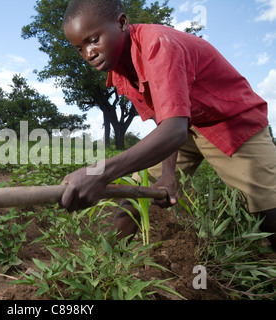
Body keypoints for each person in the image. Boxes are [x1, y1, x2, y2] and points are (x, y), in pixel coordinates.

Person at [59, 0, 276, 250]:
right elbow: (166, 123)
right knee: (136, 186)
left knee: (266, 203)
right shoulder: (120, 68)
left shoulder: (158, 45)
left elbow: (173, 130)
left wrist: (102, 173)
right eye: (80, 48)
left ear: (121, 22)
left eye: (93, 39)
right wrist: (168, 172)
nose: (89, 53)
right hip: (185, 127)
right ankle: (107, 262)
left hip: (231, 123)